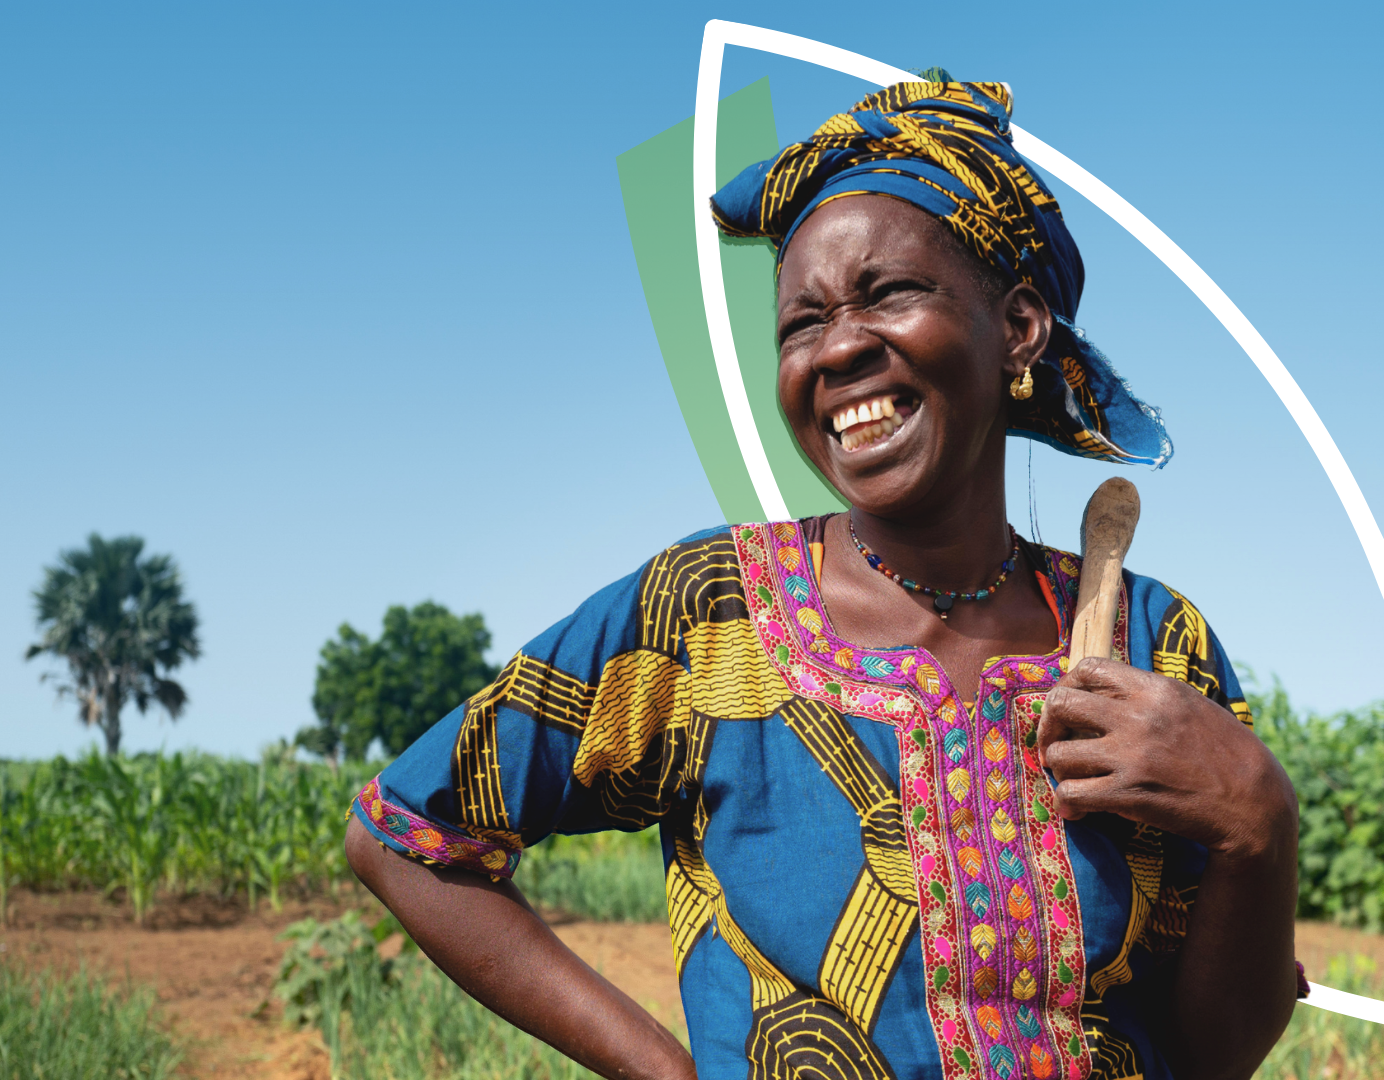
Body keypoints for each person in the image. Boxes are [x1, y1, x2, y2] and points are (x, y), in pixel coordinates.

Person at [344, 82, 1300, 1080]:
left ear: (1020, 327)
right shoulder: (708, 613)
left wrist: (1258, 818)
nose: (838, 346)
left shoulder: (1158, 644)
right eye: (802, 323)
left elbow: (1213, 1056)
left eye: (889, 294)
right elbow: (406, 836)